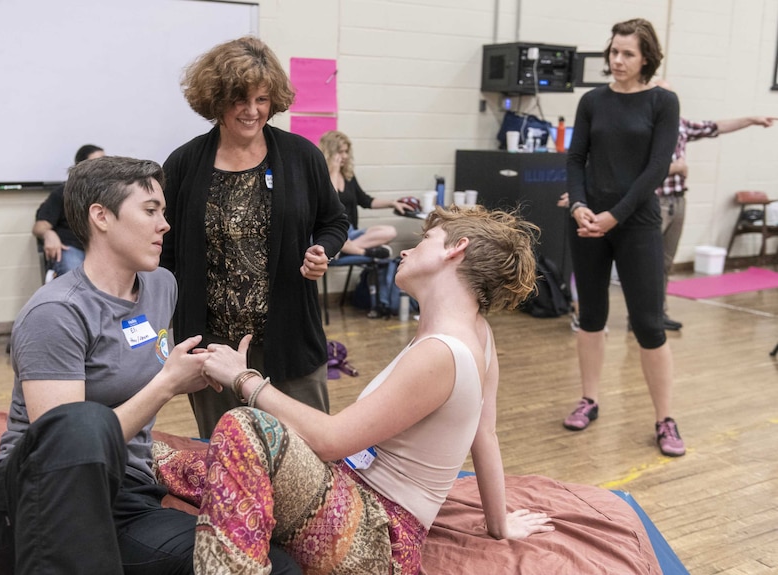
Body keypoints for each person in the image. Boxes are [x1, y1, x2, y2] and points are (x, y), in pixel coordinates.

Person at [0, 156, 300, 575]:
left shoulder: (161, 284)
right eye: (150, 211)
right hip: (35, 505)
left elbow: (148, 365)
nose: (165, 224)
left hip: (124, 495)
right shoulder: (56, 313)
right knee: (81, 423)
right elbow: (68, 451)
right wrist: (166, 384)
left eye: (163, 211)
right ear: (101, 217)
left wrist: (211, 368)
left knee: (272, 564)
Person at [175, 205, 554, 574]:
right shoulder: (477, 333)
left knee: (245, 425)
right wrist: (499, 525)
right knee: (172, 461)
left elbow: (333, 440)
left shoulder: (444, 351)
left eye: (425, 240)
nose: (407, 250)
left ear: (456, 249)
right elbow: (484, 434)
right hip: (357, 505)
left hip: (377, 536)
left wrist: (243, 379)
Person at [160, 36, 350, 439]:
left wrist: (324, 251)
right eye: (239, 100)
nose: (252, 111)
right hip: (213, 348)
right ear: (216, 100)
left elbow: (334, 220)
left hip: (290, 341)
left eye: (262, 100)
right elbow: (166, 252)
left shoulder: (301, 156)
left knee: (307, 451)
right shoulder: (184, 163)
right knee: (229, 454)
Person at [564, 18, 686, 456]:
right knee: (591, 317)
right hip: (587, 222)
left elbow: (656, 169)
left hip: (635, 224)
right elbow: (576, 158)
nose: (616, 61)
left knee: (650, 325)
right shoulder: (593, 100)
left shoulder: (663, 102)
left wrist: (614, 215)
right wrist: (579, 205)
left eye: (627, 54)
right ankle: (589, 399)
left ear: (646, 58)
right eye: (613, 52)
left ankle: (665, 419)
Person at [651, 80, 776, 330]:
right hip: (654, 201)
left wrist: (751, 119)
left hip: (678, 200)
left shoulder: (681, 124)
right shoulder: (645, 127)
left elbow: (716, 127)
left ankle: (657, 313)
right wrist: (675, 167)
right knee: (648, 260)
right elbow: (638, 168)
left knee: (665, 261)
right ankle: (641, 315)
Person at [318, 130, 416, 259]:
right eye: (341, 152)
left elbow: (365, 200)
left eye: (346, 151)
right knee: (336, 239)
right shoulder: (321, 176)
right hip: (333, 231)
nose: (345, 156)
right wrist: (334, 171)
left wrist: (392, 203)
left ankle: (343, 250)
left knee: (389, 232)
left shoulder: (348, 176)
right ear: (330, 153)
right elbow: (332, 202)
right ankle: (362, 251)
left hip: (351, 232)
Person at [32, 144, 104, 278]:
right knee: (77, 274)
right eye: (96, 163)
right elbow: (40, 226)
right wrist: (48, 234)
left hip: (101, 248)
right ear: (82, 167)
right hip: (72, 248)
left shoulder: (109, 194)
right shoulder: (63, 193)